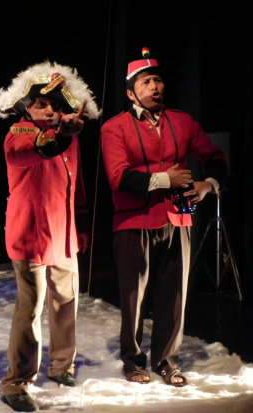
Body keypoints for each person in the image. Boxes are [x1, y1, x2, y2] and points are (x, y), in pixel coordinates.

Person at [100, 48, 228, 387]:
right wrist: (165, 180)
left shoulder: (182, 121)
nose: (155, 86)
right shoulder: (115, 127)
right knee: (133, 297)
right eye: (146, 82)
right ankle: (132, 361)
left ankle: (167, 361)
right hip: (134, 221)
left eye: (157, 80)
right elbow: (118, 177)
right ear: (131, 92)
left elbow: (215, 157)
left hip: (178, 219)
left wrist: (207, 185)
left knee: (174, 297)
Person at [0, 61, 100, 411]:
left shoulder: (68, 139)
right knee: (31, 308)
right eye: (41, 103)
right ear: (26, 106)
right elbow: (38, 149)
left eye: (55, 104)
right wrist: (61, 134)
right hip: (30, 235)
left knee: (66, 303)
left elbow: (78, 189)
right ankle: (16, 383)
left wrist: (81, 227)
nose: (49, 109)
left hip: (64, 235)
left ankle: (62, 366)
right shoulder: (19, 135)